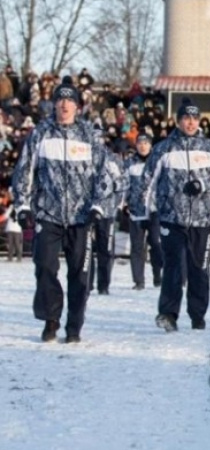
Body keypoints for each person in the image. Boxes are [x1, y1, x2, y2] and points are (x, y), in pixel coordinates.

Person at [12, 75, 116, 343]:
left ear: (78, 106)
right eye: (60, 99)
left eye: (70, 100)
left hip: (82, 218)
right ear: (53, 104)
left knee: (80, 276)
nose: (65, 104)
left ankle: (74, 326)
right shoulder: (41, 133)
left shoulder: (90, 137)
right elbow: (24, 170)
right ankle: (51, 319)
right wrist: (23, 205)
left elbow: (106, 174)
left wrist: (98, 207)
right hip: (49, 214)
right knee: (45, 267)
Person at [132, 97, 210, 332]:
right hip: (171, 218)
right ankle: (168, 314)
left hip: (202, 219)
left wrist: (202, 184)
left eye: (194, 118)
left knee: (199, 268)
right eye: (186, 118)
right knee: (174, 266)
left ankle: (198, 315)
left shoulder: (209, 148)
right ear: (178, 121)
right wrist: (142, 213)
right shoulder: (164, 148)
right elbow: (147, 181)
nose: (190, 122)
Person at [125, 133, 163, 290]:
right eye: (140, 143)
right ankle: (138, 280)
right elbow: (124, 185)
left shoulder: (158, 163)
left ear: (150, 145)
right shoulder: (129, 164)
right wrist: (124, 203)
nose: (142, 146)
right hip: (136, 211)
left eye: (146, 143)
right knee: (137, 246)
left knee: (156, 243)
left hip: (155, 209)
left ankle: (157, 275)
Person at [89, 147, 128, 295]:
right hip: (86, 211)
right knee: (86, 249)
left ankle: (103, 285)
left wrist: (118, 204)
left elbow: (122, 184)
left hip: (107, 212)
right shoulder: (82, 155)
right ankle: (87, 282)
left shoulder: (112, 160)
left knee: (105, 249)